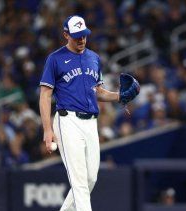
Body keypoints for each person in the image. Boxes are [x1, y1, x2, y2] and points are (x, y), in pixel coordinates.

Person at [39, 15, 139, 211]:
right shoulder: (55, 59)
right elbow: (44, 95)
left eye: (84, 35)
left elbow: (98, 92)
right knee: (79, 182)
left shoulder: (94, 58)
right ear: (66, 34)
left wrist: (119, 96)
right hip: (68, 122)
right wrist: (47, 129)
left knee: (90, 178)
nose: (82, 39)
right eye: (77, 36)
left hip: (91, 123)